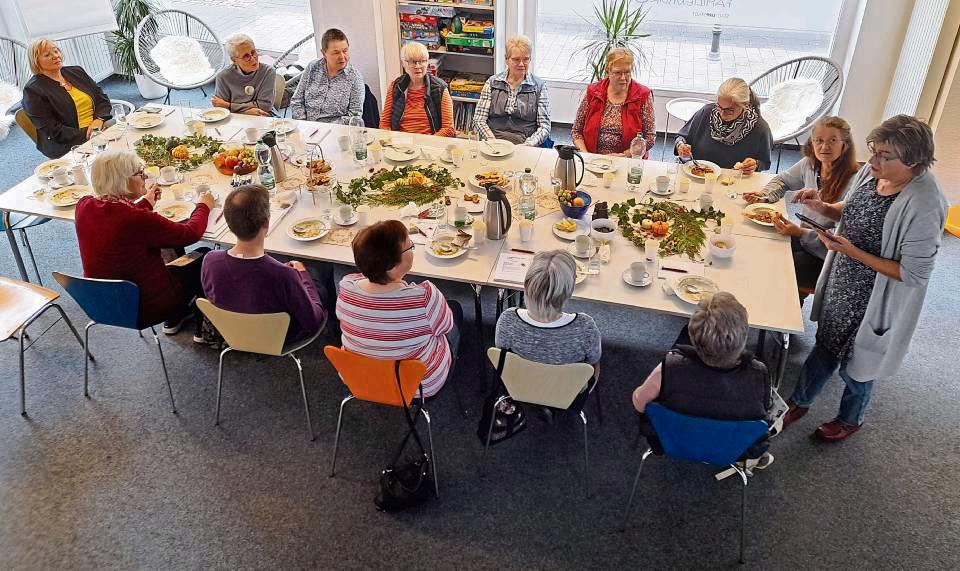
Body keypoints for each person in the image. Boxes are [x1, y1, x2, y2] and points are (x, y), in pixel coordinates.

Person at [783, 115, 948, 441]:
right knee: (825, 345)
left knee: (859, 368)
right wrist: (824, 206)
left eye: (883, 155)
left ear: (913, 161)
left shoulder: (927, 203)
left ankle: (850, 418)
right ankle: (799, 401)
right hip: (844, 282)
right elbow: (851, 207)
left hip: (876, 300)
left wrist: (853, 252)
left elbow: (914, 274)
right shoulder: (872, 172)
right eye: (873, 151)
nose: (871, 159)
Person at [75, 151, 214, 334]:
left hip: (100, 302)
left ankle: (177, 317)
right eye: (139, 173)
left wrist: (146, 203)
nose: (145, 176)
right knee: (205, 256)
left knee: (169, 242)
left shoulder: (84, 206)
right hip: (143, 307)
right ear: (122, 180)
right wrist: (204, 205)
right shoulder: (136, 219)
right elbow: (189, 234)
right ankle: (203, 329)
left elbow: (117, 224)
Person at [633, 292, 771, 457]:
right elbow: (762, 413)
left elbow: (639, 403)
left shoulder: (669, 369)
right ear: (743, 338)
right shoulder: (758, 375)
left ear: (692, 337)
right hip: (730, 450)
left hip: (671, 441)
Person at [337, 221, 462, 397]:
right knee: (455, 312)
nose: (412, 247)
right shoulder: (424, 296)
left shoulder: (346, 287)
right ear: (392, 265)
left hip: (360, 378)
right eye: (409, 245)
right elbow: (446, 327)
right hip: (418, 385)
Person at [201, 184, 333, 345]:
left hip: (232, 333)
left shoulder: (210, 260)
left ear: (228, 224)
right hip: (280, 337)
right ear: (266, 222)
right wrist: (303, 275)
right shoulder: (284, 275)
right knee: (320, 270)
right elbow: (313, 321)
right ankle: (334, 326)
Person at [743, 116, 860, 297]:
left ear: (845, 144)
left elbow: (841, 238)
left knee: (778, 269)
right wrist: (765, 196)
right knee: (760, 246)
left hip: (826, 256)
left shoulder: (855, 181)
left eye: (832, 141)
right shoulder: (810, 164)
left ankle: (789, 310)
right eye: (818, 141)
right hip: (804, 239)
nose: (824, 147)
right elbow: (783, 180)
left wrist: (800, 233)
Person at [494, 250, 601, 410]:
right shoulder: (586, 326)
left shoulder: (507, 319)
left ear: (527, 285)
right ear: (569, 291)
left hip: (519, 386)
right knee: (595, 364)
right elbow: (593, 360)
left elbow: (501, 350)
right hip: (569, 393)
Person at [21, 38, 111, 158]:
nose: (55, 56)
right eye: (47, 55)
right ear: (36, 62)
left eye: (56, 51)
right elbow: (53, 131)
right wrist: (92, 132)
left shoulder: (76, 71)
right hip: (68, 143)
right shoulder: (33, 90)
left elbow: (102, 99)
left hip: (99, 126)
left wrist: (99, 120)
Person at [674, 77, 773, 174]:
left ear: (745, 105)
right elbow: (681, 137)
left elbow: (765, 162)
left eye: (729, 110)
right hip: (698, 174)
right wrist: (681, 145)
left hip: (733, 182)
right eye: (719, 107)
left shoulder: (760, 128)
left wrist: (755, 164)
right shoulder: (706, 113)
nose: (722, 114)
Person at [571, 48, 654, 157]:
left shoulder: (643, 95)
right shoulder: (593, 92)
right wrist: (587, 156)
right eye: (618, 72)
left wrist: (625, 155)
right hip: (592, 158)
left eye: (627, 72)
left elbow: (650, 138)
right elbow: (576, 131)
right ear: (608, 71)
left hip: (628, 160)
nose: (623, 78)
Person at [473, 35, 551, 146]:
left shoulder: (540, 87)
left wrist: (528, 145)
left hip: (526, 143)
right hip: (494, 141)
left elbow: (545, 127)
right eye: (516, 59)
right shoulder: (492, 83)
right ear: (506, 60)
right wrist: (492, 141)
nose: (521, 64)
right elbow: (479, 119)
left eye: (526, 59)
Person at [380, 42, 455, 137]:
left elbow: (448, 129)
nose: (418, 66)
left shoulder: (440, 89)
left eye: (422, 61)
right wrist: (393, 140)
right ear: (403, 63)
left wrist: (423, 143)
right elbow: (384, 123)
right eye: (412, 62)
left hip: (429, 143)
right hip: (400, 143)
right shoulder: (396, 86)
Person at [291, 28, 364, 123]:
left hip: (335, 131)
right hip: (306, 127)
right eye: (336, 52)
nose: (342, 57)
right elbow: (297, 100)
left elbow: (355, 115)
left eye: (345, 51)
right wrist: (304, 123)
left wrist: (326, 128)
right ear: (324, 53)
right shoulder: (312, 67)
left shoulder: (354, 77)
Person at [212, 34, 275, 117]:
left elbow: (265, 106)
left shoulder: (268, 72)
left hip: (262, 117)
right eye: (246, 56)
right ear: (234, 60)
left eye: (253, 52)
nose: (253, 58)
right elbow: (221, 109)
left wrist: (229, 105)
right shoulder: (223, 77)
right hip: (233, 119)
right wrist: (246, 112)